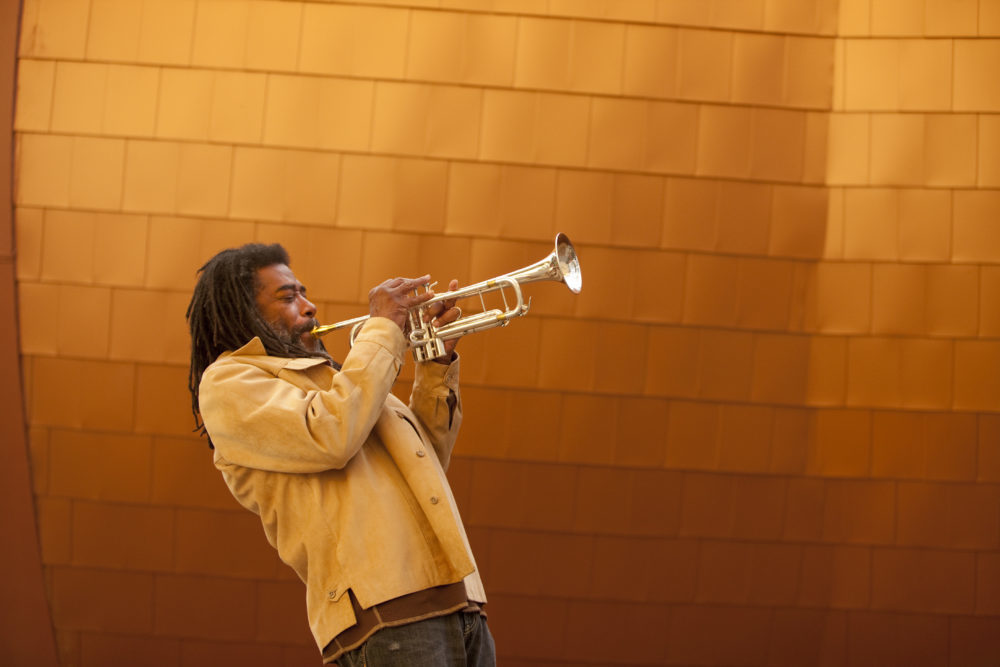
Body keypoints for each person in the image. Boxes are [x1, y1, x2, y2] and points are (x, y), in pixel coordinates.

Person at [185, 243, 493, 666]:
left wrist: (436, 363)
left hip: (462, 601)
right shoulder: (228, 383)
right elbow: (331, 436)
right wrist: (383, 328)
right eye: (289, 297)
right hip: (385, 615)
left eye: (304, 293)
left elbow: (427, 462)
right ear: (243, 311)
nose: (310, 307)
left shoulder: (339, 382)